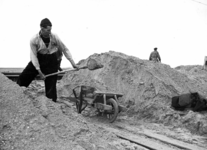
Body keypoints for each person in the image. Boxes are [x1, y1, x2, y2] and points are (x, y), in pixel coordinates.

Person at [17, 18, 79, 102]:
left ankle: (51, 103)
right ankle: (16, 93)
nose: (50, 32)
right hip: (39, 58)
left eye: (51, 30)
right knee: (24, 77)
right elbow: (33, 56)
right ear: (42, 29)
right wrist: (39, 71)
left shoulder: (54, 36)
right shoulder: (34, 39)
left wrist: (73, 63)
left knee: (51, 85)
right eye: (48, 30)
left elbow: (64, 49)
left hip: (51, 60)